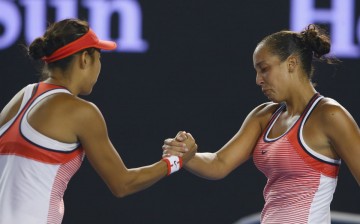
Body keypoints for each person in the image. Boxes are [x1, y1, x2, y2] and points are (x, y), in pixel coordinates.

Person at [0, 18, 196, 224]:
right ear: (85, 59)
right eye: (99, 57)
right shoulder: (82, 112)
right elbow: (123, 184)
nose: (100, 67)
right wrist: (176, 161)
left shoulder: (22, 96)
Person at [163, 24, 360, 223]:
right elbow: (218, 163)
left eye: (264, 69)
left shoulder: (329, 115)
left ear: (291, 63)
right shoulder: (263, 116)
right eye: (257, 72)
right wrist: (187, 155)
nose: (258, 80)